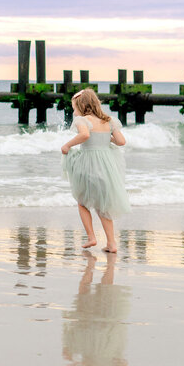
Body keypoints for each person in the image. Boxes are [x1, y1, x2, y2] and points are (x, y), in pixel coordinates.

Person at [61, 89, 130, 253]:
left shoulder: (82, 120)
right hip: (106, 166)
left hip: (89, 164)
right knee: (103, 205)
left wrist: (67, 145)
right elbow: (121, 141)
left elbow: (84, 135)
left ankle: (91, 237)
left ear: (82, 105)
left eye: (74, 107)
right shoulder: (109, 120)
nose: (73, 111)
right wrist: (106, 137)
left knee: (82, 201)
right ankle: (112, 243)